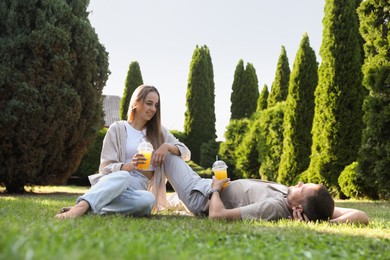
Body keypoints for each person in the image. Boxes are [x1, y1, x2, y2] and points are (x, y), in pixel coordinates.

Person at [55, 85, 190, 219]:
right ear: (136, 102)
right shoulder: (117, 128)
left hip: (139, 187)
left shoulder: (159, 132)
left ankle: (91, 208)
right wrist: (127, 167)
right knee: (124, 176)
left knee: (148, 200)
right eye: (149, 103)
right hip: (116, 181)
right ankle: (80, 207)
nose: (153, 109)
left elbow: (186, 152)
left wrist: (166, 147)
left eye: (156, 105)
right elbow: (105, 167)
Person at [163, 154, 369, 224]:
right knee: (165, 204)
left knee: (166, 154)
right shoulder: (310, 204)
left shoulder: (274, 207)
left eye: (302, 188)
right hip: (206, 185)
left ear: (298, 208)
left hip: (201, 195)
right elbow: (360, 215)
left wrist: (215, 189)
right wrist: (326, 222)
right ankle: (160, 202)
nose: (299, 183)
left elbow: (217, 216)